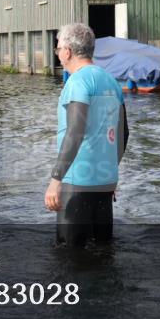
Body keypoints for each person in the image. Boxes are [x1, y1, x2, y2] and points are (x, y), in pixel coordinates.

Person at [45, 23, 128, 248]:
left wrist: (56, 179)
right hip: (104, 181)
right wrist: (110, 172)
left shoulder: (77, 82)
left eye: (58, 48)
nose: (58, 54)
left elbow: (75, 130)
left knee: (68, 255)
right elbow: (124, 134)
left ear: (68, 51)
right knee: (102, 253)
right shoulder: (111, 81)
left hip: (76, 182)